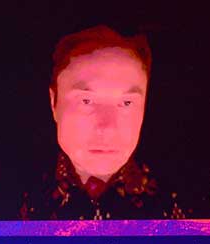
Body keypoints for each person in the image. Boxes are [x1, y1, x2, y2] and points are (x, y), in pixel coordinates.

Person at [20, 25, 187, 220]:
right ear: (53, 102)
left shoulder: (192, 201)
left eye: (126, 103)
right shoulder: (1, 193)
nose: (107, 129)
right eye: (86, 101)